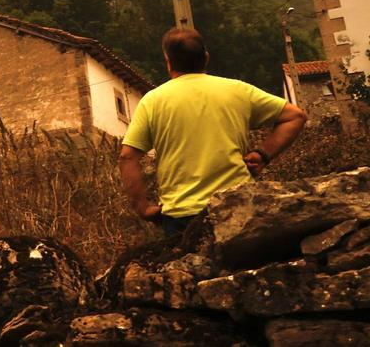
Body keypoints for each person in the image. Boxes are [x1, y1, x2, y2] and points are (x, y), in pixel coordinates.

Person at [118, 27, 308, 236]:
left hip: (182, 216)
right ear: (206, 58)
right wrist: (263, 155)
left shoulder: (152, 101)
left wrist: (142, 207)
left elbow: (128, 157)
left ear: (168, 62)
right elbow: (295, 116)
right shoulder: (239, 91)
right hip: (238, 204)